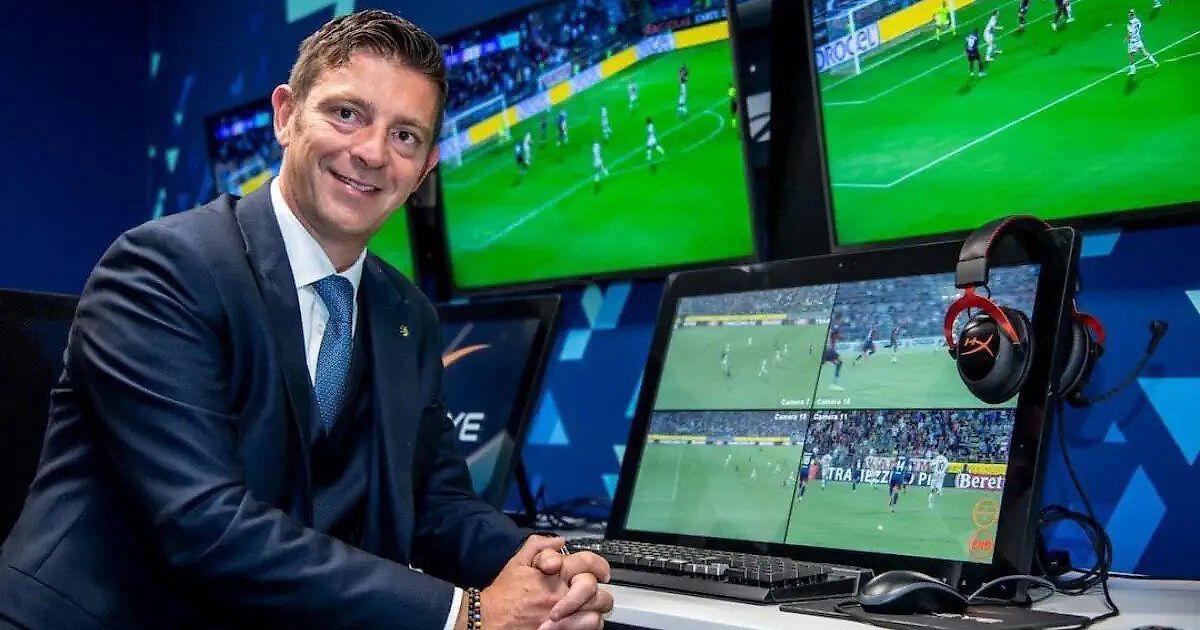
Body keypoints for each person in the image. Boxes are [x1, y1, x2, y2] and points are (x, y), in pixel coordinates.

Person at [0, 11, 611, 630]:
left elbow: (436, 502)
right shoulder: (164, 268)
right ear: (286, 116)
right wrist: (467, 613)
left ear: (426, 167)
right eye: (347, 113)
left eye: (405, 135)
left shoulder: (407, 314)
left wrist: (541, 565)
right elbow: (203, 525)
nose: (371, 152)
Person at [1126, 9, 1159, 75]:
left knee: (1131, 56)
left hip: (1132, 42)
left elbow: (1130, 33)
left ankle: (1133, 70)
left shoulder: (1130, 23)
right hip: (1138, 40)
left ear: (1130, 15)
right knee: (1144, 52)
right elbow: (1139, 29)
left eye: (1129, 14)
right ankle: (1154, 62)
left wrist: (1126, 38)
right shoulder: (1138, 21)